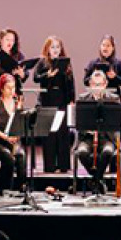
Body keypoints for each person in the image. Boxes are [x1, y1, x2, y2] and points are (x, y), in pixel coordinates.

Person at [33, 35, 75, 173]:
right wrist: (48, 75)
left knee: (63, 134)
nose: (55, 50)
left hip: (62, 100)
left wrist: (72, 100)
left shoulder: (66, 63)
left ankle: (63, 166)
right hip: (47, 100)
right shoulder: (42, 62)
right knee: (49, 134)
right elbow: (35, 78)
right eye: (53, 47)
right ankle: (50, 166)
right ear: (47, 49)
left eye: (58, 47)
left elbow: (70, 83)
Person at [75, 70, 121, 193]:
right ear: (90, 84)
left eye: (100, 85)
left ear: (105, 84)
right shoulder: (83, 99)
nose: (97, 88)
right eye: (95, 85)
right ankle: (98, 180)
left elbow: (116, 123)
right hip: (88, 137)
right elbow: (78, 123)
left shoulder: (113, 99)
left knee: (107, 152)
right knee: (82, 152)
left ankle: (95, 181)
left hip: (106, 137)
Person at [0, 74, 26, 195]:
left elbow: (19, 123)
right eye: (8, 88)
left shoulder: (16, 103)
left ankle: (22, 186)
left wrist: (19, 108)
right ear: (2, 89)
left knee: (21, 155)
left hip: (11, 141)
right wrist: (5, 137)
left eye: (13, 87)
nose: (12, 90)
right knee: (8, 157)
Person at [83, 34, 121, 100]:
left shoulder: (118, 63)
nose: (105, 48)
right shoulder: (93, 63)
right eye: (103, 45)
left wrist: (115, 77)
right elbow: (85, 81)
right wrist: (93, 77)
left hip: (114, 97)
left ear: (113, 48)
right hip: (96, 96)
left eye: (108, 46)